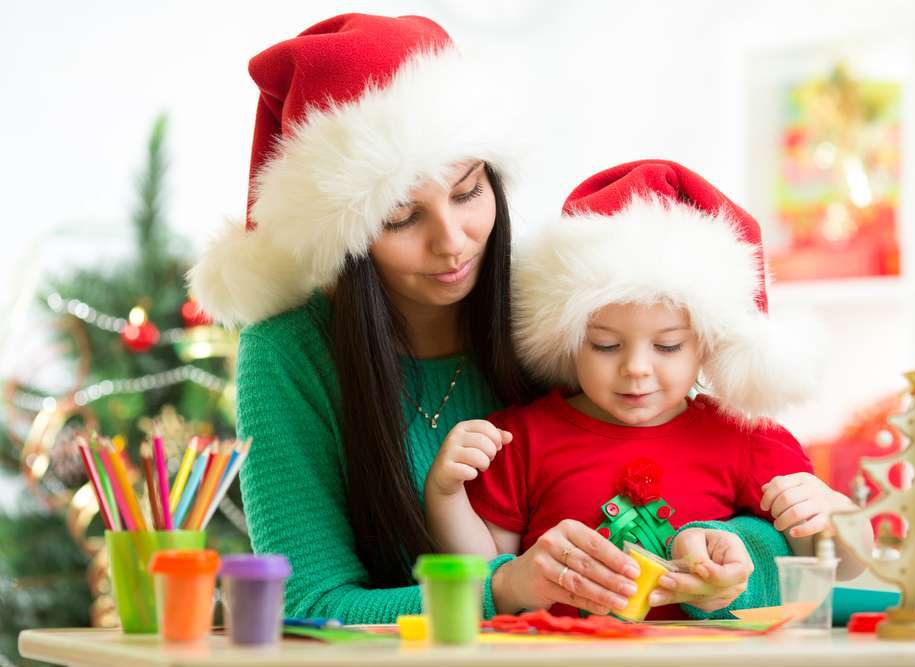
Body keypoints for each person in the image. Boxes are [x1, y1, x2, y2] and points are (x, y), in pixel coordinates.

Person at [191, 14, 802, 623]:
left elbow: (723, 479)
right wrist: (503, 590)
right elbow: (313, 605)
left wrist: (726, 557)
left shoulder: (556, 313)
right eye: (403, 218)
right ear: (342, 236)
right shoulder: (290, 355)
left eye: (467, 192)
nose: (453, 242)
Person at [426, 159, 869, 620]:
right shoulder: (521, 438)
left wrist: (831, 512)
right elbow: (486, 572)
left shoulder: (743, 436)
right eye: (605, 344)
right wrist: (445, 493)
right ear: (567, 336)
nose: (636, 368)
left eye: (668, 345)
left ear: (708, 345)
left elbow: (840, 566)